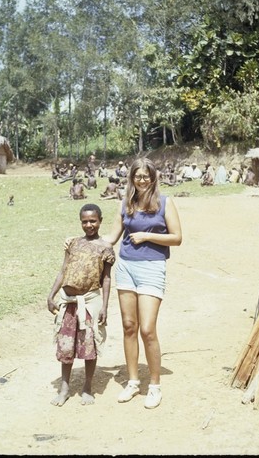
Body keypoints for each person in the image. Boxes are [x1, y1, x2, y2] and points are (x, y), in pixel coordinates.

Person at [104, 158, 182, 409]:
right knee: (129, 326)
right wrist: (82, 240)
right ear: (132, 178)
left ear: (153, 177)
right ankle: (133, 382)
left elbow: (177, 238)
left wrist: (148, 236)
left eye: (146, 176)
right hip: (126, 267)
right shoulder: (125, 202)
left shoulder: (165, 202)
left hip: (152, 267)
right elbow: (112, 237)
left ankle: (155, 386)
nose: (142, 180)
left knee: (147, 329)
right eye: (137, 176)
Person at [47, 204, 115, 407]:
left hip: (90, 302)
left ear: (100, 221)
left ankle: (87, 387)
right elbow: (63, 270)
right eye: (85, 221)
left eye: (93, 221)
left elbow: (106, 279)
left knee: (89, 345)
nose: (89, 225)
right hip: (68, 302)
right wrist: (51, 295)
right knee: (66, 345)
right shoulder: (73, 244)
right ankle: (65, 388)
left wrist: (104, 306)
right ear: (80, 222)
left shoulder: (105, 248)